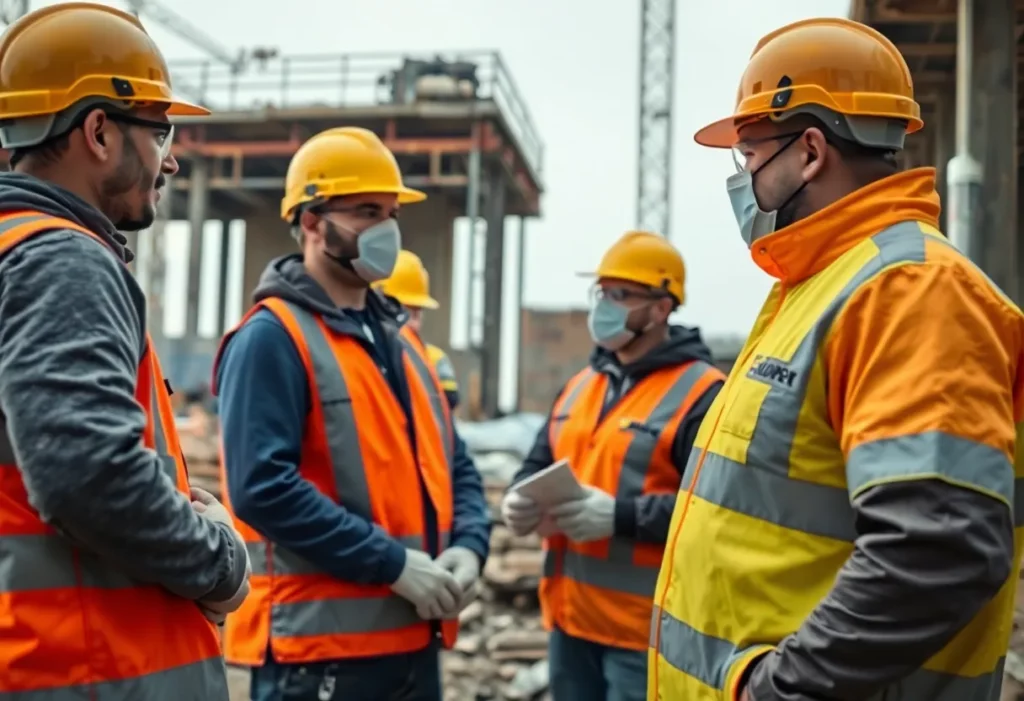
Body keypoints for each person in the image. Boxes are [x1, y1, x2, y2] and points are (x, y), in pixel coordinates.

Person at [648, 17, 1024, 701]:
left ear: (811, 151)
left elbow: (937, 547)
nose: (745, 179)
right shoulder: (824, 285)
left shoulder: (910, 292)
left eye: (751, 154)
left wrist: (784, 689)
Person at [0, 4, 251, 699]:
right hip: (87, 670)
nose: (171, 158)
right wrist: (221, 560)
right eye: (159, 129)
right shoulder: (62, 262)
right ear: (100, 131)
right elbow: (88, 474)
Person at [214, 126, 491, 701]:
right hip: (319, 658)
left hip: (414, 641)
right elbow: (262, 488)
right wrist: (391, 563)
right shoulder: (272, 337)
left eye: (391, 212)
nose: (386, 229)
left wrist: (469, 544)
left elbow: (453, 461)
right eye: (367, 211)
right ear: (312, 222)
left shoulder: (403, 342)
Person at [500, 230, 726, 700]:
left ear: (661, 308)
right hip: (569, 623)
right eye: (602, 293)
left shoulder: (704, 394)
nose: (604, 305)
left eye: (621, 294)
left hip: (644, 633)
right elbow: (538, 462)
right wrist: (518, 499)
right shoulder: (582, 384)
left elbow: (714, 512)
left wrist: (619, 517)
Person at [374, 248, 461, 408]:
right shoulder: (362, 358)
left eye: (416, 313)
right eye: (405, 312)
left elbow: (448, 403)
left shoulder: (434, 360)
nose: (413, 324)